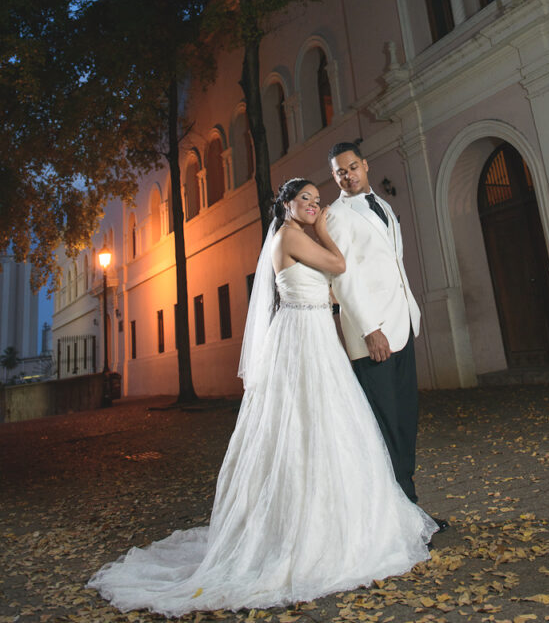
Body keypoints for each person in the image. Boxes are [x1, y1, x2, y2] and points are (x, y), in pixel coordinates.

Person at [87, 178, 437, 617]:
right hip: (302, 341)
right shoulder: (291, 236)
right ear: (287, 205)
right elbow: (340, 264)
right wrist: (325, 229)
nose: (313, 205)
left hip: (315, 336)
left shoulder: (294, 234)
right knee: (302, 426)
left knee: (329, 425)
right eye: (304, 199)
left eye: (316, 199)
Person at [326, 142, 448, 531]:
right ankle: (397, 520)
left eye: (351, 167)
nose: (347, 175)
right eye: (339, 172)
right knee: (384, 426)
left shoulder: (384, 205)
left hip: (401, 324)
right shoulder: (337, 217)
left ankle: (410, 510)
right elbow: (342, 277)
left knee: (405, 420)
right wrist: (370, 329)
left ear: (365, 164)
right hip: (373, 334)